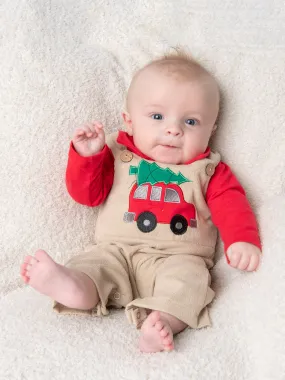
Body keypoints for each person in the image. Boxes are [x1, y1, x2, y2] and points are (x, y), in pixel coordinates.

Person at [20, 50, 262, 353]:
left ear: (211, 130)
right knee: (92, 265)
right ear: (129, 121)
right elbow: (87, 196)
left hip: (180, 258)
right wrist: (89, 157)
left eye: (191, 121)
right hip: (114, 251)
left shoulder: (208, 171)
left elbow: (232, 204)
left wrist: (241, 239)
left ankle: (162, 321)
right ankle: (73, 286)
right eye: (157, 116)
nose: (173, 129)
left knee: (190, 284)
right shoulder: (117, 153)